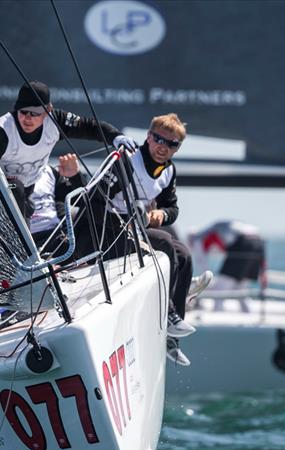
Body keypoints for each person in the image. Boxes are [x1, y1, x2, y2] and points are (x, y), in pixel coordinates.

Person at [75, 113, 210, 365]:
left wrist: (158, 215)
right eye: (159, 139)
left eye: (172, 144)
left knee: (184, 254)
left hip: (132, 227)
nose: (163, 147)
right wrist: (125, 215)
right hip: (100, 232)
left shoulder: (168, 171)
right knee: (166, 246)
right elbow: (92, 201)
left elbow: (173, 208)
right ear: (148, 137)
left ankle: (171, 339)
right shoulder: (127, 161)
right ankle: (168, 313)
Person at [0, 81, 136, 221]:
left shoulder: (56, 121)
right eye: (23, 112)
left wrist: (116, 137)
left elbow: (89, 127)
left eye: (35, 113)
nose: (27, 118)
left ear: (48, 110)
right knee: (15, 188)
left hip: (26, 195)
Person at [187, 220, 266, 312]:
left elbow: (203, 265)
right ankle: (249, 314)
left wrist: (204, 284)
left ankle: (217, 315)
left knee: (219, 290)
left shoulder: (198, 239)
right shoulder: (215, 229)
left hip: (243, 244)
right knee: (240, 289)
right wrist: (263, 271)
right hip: (258, 243)